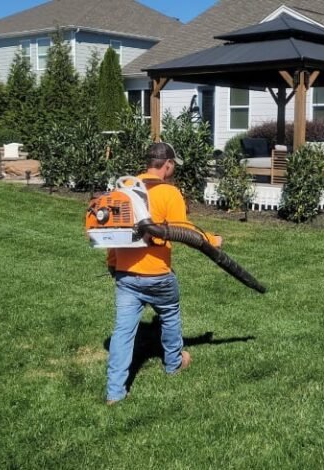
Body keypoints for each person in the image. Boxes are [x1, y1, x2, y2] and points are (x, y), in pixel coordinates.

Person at [105, 142, 221, 405]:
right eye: (173, 165)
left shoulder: (125, 188)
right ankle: (173, 363)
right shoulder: (169, 192)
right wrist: (213, 241)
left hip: (126, 273)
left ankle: (114, 392)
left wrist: (112, 262)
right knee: (169, 315)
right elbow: (185, 230)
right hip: (157, 275)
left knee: (123, 331)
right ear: (167, 165)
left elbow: (114, 231)